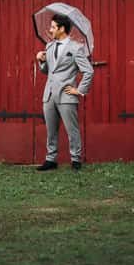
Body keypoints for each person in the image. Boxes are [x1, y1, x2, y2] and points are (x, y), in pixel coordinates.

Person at [35, 13, 93, 171]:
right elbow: (47, 71)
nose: (50, 30)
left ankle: (75, 160)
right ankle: (51, 160)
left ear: (62, 29)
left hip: (66, 95)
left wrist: (79, 90)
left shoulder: (75, 48)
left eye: (53, 27)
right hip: (49, 95)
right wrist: (41, 60)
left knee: (72, 130)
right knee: (51, 130)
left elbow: (88, 71)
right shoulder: (49, 46)